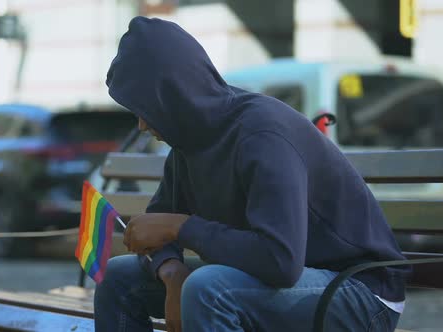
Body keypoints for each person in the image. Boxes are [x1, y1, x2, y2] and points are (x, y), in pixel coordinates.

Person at [95, 16, 409, 332]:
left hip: (360, 291)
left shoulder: (262, 133)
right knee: (118, 278)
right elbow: (158, 229)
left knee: (207, 289)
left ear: (172, 94)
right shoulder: (187, 141)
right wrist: (171, 271)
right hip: (281, 284)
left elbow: (280, 261)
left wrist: (182, 228)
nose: (143, 125)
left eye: (146, 110)